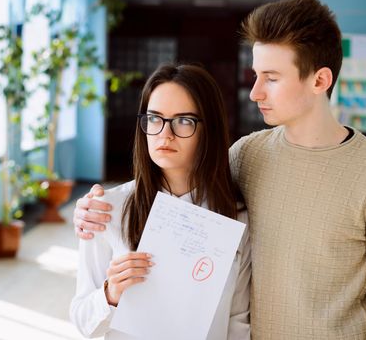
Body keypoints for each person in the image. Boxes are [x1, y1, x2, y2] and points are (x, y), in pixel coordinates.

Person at [73, 0, 366, 339]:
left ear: (319, 81)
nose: (254, 92)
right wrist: (89, 212)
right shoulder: (247, 155)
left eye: (271, 78)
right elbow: (186, 184)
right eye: (256, 75)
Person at [70, 64, 251, 340]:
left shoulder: (235, 216)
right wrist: (111, 293)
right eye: (154, 118)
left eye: (183, 121)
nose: (165, 134)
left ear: (208, 129)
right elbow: (83, 322)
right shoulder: (107, 209)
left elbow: (237, 320)